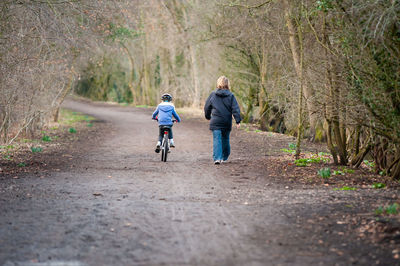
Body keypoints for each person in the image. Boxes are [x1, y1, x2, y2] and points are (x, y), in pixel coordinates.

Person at [204, 76, 241, 164]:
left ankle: (217, 158)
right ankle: (224, 157)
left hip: (216, 121)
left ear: (218, 84)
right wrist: (238, 120)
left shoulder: (213, 94)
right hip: (226, 121)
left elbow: (207, 107)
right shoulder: (231, 95)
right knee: (225, 139)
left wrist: (208, 116)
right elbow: (235, 109)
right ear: (228, 84)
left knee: (217, 139)